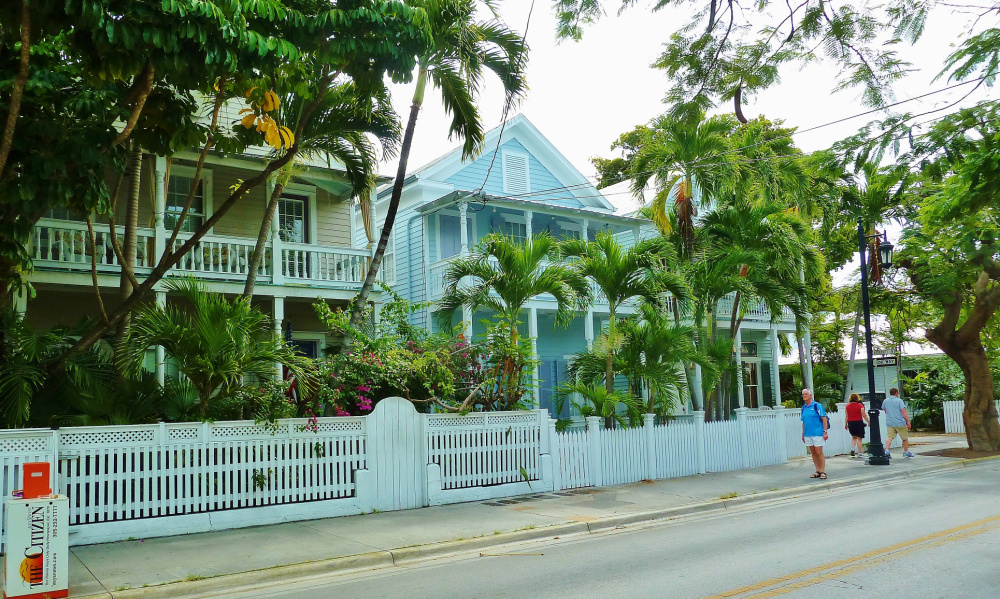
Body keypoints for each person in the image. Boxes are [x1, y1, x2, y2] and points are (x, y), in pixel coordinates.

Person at [800, 389, 829, 479]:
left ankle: (823, 471)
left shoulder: (817, 406)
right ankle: (818, 470)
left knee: (819, 452)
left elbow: (824, 419)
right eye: (803, 394)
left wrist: (825, 432)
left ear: (810, 395)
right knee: (813, 452)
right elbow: (804, 422)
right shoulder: (804, 407)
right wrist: (803, 433)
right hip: (808, 433)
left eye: (806, 394)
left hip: (817, 432)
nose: (804, 396)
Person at [881, 387, 913, 458]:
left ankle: (887, 450)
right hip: (899, 422)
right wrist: (908, 421)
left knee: (890, 437)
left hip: (890, 422)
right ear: (896, 393)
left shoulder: (885, 401)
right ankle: (905, 452)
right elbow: (903, 411)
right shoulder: (899, 401)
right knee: (904, 438)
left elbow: (885, 410)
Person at [844, 393, 870, 457]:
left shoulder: (847, 406)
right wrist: (869, 421)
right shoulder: (860, 406)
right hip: (858, 422)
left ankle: (852, 449)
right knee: (859, 438)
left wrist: (845, 424)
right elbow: (863, 415)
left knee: (854, 437)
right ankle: (859, 452)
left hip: (851, 423)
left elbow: (847, 416)